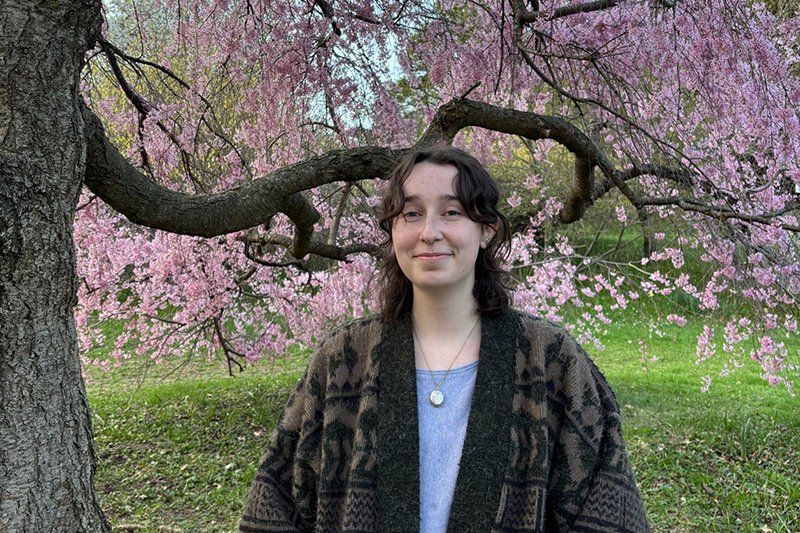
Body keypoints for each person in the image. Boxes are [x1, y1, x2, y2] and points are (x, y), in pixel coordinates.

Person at [239, 146, 650, 533]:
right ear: (393, 230)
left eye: (451, 212)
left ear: (486, 230)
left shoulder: (552, 360)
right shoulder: (343, 358)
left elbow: (607, 509)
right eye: (411, 214)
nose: (429, 232)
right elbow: (274, 505)